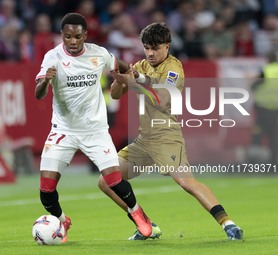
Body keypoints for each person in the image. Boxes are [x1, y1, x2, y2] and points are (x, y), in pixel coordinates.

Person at [98, 22, 244, 241]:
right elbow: (117, 94)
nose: (150, 52)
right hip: (144, 141)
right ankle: (146, 224)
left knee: (186, 182)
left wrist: (133, 81)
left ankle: (228, 224)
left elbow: (162, 99)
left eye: (155, 47)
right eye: (147, 47)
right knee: (106, 181)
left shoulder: (173, 68)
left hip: (166, 137)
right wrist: (120, 77)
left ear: (167, 46)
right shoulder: (141, 65)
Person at [34, 13, 153, 243]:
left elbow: (118, 65)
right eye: (67, 36)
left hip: (95, 131)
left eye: (77, 36)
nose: (72, 41)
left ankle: (138, 213)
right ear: (62, 35)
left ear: (85, 36)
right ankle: (61, 220)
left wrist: (124, 76)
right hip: (63, 131)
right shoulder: (52, 57)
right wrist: (45, 81)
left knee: (114, 181)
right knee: (46, 193)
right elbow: (39, 94)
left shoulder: (98, 53)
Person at [251, 51, 278, 165]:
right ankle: (273, 162)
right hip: (275, 108)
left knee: (257, 135)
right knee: (272, 136)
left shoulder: (266, 70)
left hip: (263, 108)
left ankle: (255, 163)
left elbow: (255, 85)